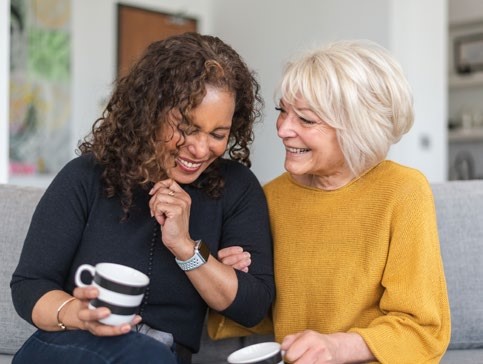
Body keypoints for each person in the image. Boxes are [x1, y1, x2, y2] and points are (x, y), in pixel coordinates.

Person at [10, 32, 274, 364]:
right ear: (150, 112)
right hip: (69, 345)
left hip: (157, 356)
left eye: (218, 134)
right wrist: (76, 314)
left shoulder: (236, 189)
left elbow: (252, 305)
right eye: (187, 128)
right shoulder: (87, 176)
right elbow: (30, 284)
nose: (201, 148)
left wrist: (188, 250)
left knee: (148, 354)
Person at [223, 40, 451, 363]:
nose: (283, 129)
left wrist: (337, 347)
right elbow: (261, 312)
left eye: (305, 119)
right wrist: (230, 278)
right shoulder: (271, 196)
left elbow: (421, 329)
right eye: (282, 112)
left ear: (358, 129)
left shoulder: (403, 192)